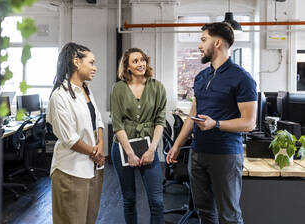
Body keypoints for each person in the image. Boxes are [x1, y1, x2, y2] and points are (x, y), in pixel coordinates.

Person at [167, 22, 257, 224]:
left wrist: (216, 124)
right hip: (198, 153)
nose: (199, 45)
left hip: (225, 155)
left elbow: (249, 122)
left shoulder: (242, 78)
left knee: (229, 216)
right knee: (205, 212)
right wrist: (177, 145)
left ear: (217, 43)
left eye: (203, 39)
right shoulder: (201, 76)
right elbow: (194, 113)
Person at [46, 42, 105, 224]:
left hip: (93, 167)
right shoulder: (60, 95)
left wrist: (100, 145)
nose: (95, 68)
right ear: (76, 62)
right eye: (92, 63)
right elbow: (69, 138)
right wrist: (95, 153)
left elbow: (98, 121)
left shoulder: (86, 90)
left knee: (89, 219)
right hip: (70, 171)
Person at [110, 47, 167, 224]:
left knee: (156, 201)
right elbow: (117, 123)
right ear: (126, 66)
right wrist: (129, 153)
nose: (140, 64)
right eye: (135, 61)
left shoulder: (157, 87)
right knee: (129, 199)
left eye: (142, 60)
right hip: (122, 147)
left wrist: (152, 150)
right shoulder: (118, 89)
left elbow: (160, 121)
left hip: (149, 146)